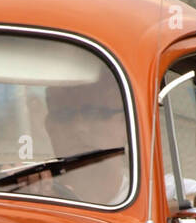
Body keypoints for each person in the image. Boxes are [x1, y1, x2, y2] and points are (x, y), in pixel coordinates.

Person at [39, 75, 131, 204]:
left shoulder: (156, 202)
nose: (78, 127)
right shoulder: (31, 205)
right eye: (65, 115)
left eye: (93, 113)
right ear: (50, 128)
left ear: (125, 124)